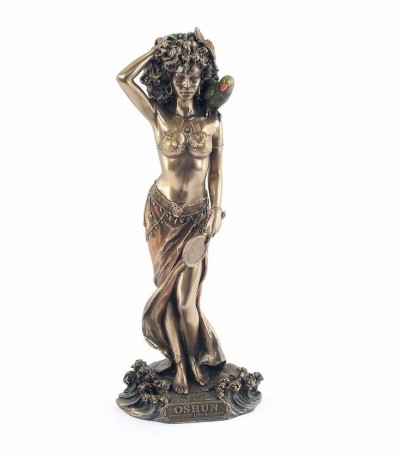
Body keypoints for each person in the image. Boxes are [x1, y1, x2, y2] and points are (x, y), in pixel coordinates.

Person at [117, 31, 226, 394]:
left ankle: (195, 359)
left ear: (202, 78)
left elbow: (216, 173)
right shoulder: (159, 116)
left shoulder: (212, 122)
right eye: (179, 75)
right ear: (168, 76)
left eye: (193, 76)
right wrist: (154, 51)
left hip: (196, 218)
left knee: (186, 299)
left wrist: (216, 209)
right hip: (161, 214)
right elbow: (123, 79)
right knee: (166, 294)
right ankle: (180, 364)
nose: (186, 83)